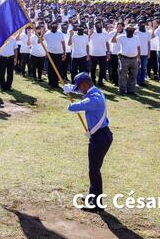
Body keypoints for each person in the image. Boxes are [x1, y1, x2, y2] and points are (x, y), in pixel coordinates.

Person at [64, 72, 112, 213]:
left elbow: (73, 107)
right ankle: (93, 197)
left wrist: (70, 102)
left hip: (99, 138)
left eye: (80, 87)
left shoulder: (94, 100)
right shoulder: (96, 91)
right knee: (94, 169)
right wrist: (71, 88)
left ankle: (96, 204)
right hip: (102, 135)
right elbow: (80, 90)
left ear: (85, 84)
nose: (79, 89)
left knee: (94, 171)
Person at [111, 24, 140, 95]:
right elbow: (113, 41)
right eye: (129, 30)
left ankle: (131, 90)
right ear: (126, 30)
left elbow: (138, 48)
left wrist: (138, 57)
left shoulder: (136, 38)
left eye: (132, 30)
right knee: (122, 75)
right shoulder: (121, 37)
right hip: (124, 58)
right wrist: (117, 32)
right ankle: (122, 90)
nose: (130, 31)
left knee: (133, 75)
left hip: (134, 59)